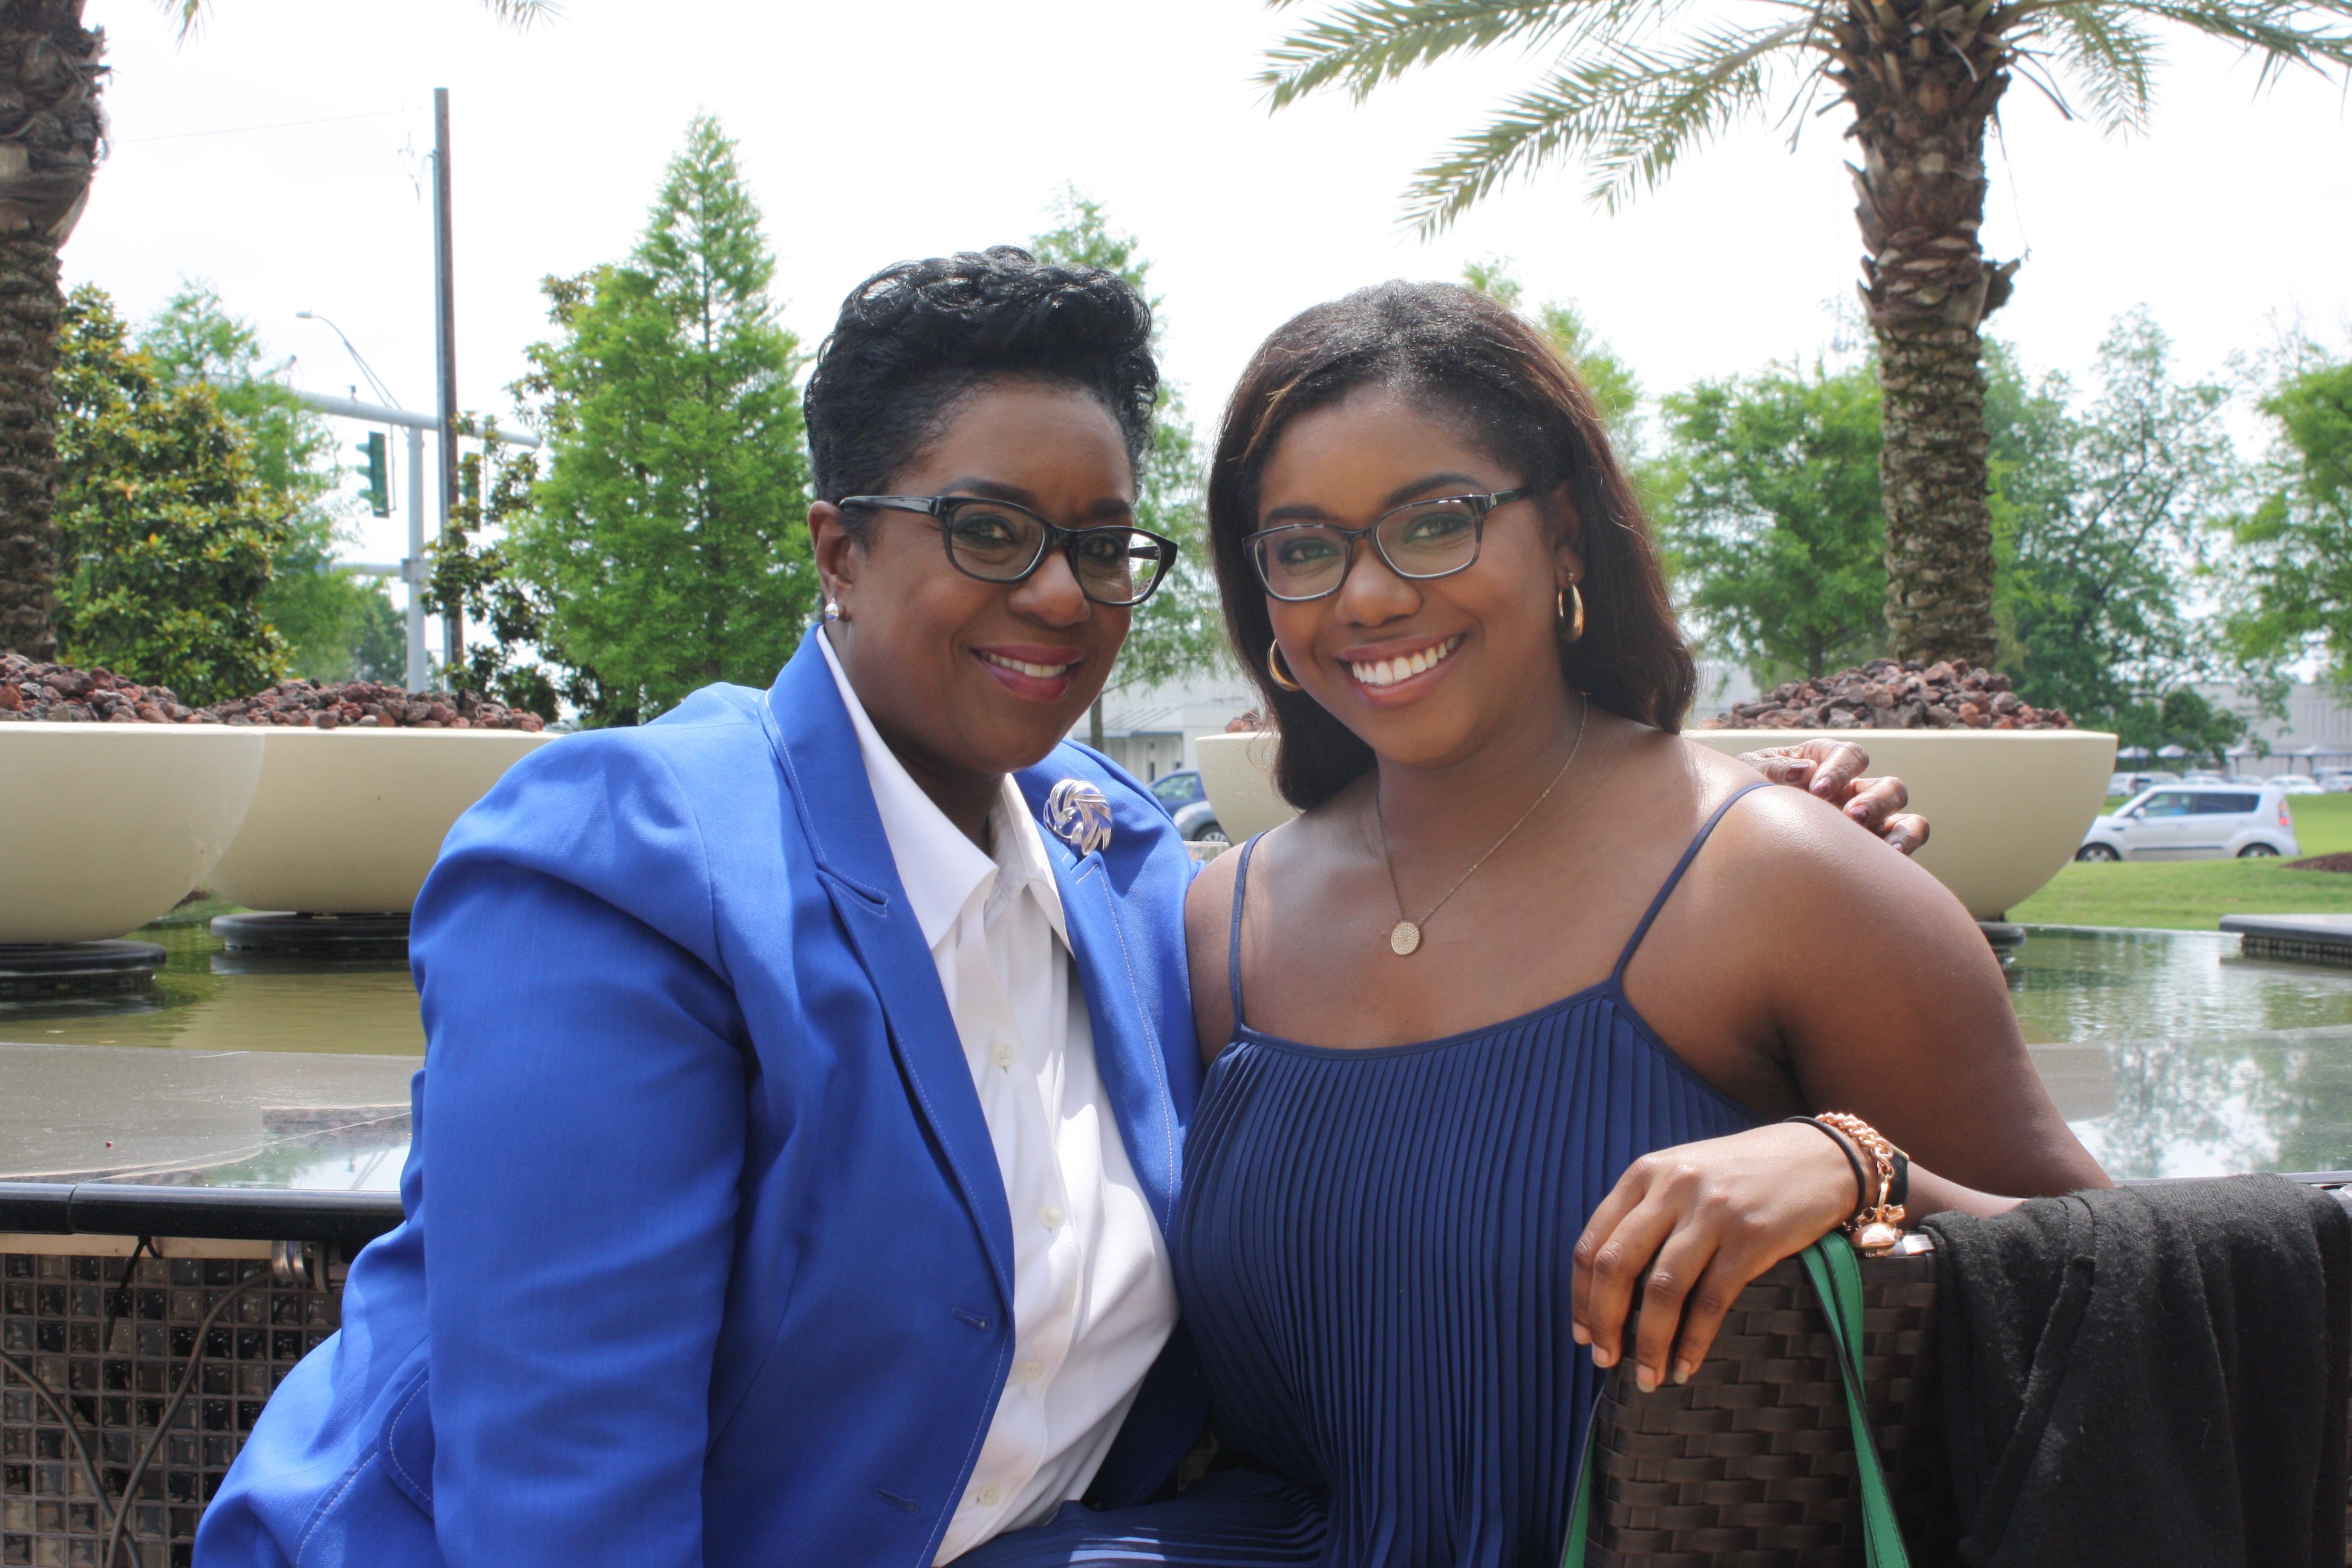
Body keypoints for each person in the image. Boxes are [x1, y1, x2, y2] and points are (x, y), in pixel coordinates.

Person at [195, 254, 1925, 1568]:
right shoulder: (636, 862)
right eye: (988, 530)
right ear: (838, 550)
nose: (1058, 595)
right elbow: (568, 1488)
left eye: (1103, 543)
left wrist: (1730, 816)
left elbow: (1471, 876)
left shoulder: (1124, 869)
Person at [961, 282, 2106, 1568]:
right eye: (1306, 547)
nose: (1369, 595)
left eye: (1435, 524)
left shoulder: (1772, 879)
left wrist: (1855, 1169)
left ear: (1564, 535)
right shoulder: (1223, 925)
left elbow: (2132, 1294)